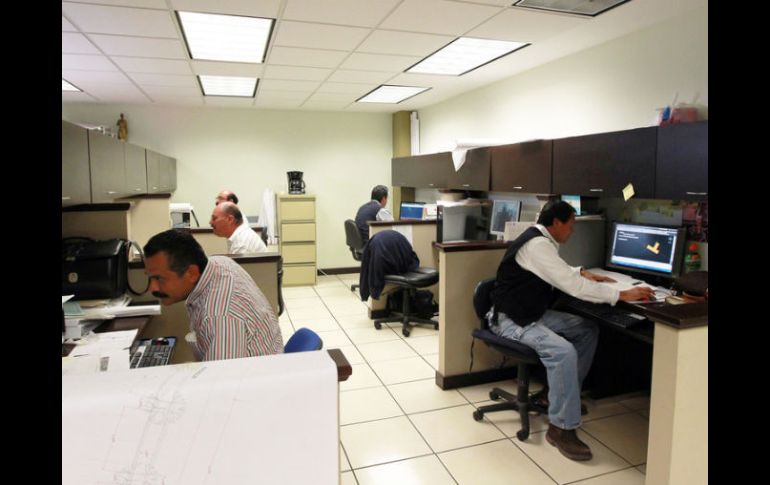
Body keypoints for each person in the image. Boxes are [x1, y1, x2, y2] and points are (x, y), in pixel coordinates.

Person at [489, 200, 654, 461]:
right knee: (563, 351)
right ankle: (561, 428)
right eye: (571, 224)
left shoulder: (540, 240)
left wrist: (581, 273)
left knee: (586, 329)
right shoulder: (537, 245)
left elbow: (558, 272)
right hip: (511, 319)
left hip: (530, 312)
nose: (573, 231)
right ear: (556, 223)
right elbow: (572, 287)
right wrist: (621, 294)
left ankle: (560, 399)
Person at [143, 229, 283, 361]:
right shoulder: (220, 263)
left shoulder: (220, 316)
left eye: (159, 279)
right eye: (150, 278)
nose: (152, 288)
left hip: (255, 380)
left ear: (192, 273)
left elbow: (222, 382)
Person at [358, 229, 419, 301]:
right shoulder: (377, 252)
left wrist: (373, 290)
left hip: (391, 256)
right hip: (401, 255)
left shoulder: (374, 248)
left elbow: (372, 272)